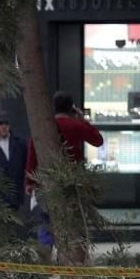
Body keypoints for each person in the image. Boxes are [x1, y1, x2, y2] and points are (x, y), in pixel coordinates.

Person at [24, 91, 103, 249]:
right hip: (72, 182)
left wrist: (30, 181)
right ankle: (71, 259)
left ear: (53, 107)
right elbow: (98, 140)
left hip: (47, 182)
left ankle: (45, 258)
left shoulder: (44, 127)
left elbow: (32, 153)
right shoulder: (76, 125)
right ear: (71, 108)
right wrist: (83, 120)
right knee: (72, 222)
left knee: (46, 220)